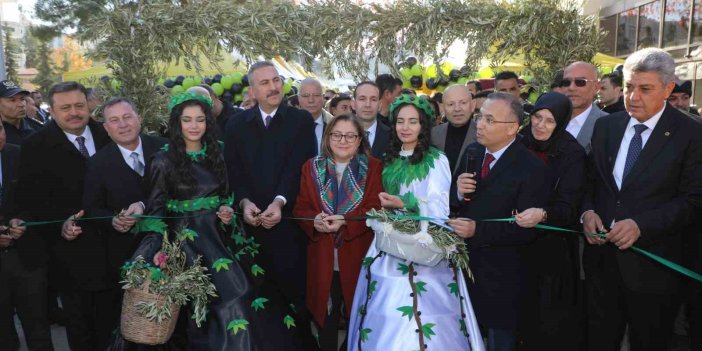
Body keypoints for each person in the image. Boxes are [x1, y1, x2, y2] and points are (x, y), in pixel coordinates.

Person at [127, 92, 301, 350]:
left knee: (246, 294)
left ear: (208, 122)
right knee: (202, 307)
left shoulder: (219, 152)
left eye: (200, 119)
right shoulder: (162, 160)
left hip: (223, 237)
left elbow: (227, 195)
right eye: (187, 120)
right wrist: (154, 250)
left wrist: (227, 209)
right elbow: (155, 211)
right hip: (184, 244)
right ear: (177, 123)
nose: (194, 126)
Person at [581, 48, 702, 351]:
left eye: (645, 89)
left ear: (668, 88)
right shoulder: (606, 126)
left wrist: (641, 225)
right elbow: (589, 181)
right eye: (629, 87)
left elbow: (693, 200)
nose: (633, 96)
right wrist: (587, 212)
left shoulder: (691, 134)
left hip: (656, 272)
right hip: (602, 265)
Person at [348, 95, 485, 351]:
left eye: (412, 121)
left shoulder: (436, 160)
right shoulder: (388, 160)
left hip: (424, 248)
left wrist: (404, 204)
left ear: (423, 125)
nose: (405, 127)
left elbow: (440, 209)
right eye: (400, 121)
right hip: (388, 247)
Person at [224, 61, 319, 349]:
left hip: (289, 227)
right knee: (258, 302)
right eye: (264, 83)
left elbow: (300, 169)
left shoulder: (300, 121)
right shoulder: (236, 124)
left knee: (295, 298)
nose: (274, 86)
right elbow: (233, 170)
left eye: (276, 80)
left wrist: (279, 202)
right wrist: (244, 202)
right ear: (252, 90)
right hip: (250, 230)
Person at [16, 82, 112, 351]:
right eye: (65, 108)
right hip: (70, 257)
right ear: (53, 111)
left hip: (116, 249)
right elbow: (30, 200)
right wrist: (62, 224)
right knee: (81, 329)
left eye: (79, 106)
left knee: (116, 326)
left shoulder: (107, 134)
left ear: (89, 105)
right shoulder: (36, 146)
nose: (74, 113)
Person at [452, 92, 550, 351]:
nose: (480, 125)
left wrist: (477, 230)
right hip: (465, 267)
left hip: (505, 277)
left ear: (512, 129)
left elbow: (527, 230)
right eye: (480, 117)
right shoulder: (472, 152)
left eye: (490, 120)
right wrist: (459, 191)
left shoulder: (531, 167)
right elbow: (455, 203)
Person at [69, 98, 168, 341]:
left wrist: (144, 205)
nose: (122, 125)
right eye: (114, 120)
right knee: (134, 327)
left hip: (172, 250)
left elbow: (180, 191)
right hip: (125, 257)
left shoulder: (165, 148)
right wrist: (112, 220)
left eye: (127, 117)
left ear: (139, 118)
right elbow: (91, 207)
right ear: (106, 128)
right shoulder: (98, 163)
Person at [293, 114, 383, 351]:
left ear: (359, 139)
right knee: (326, 317)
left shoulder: (373, 167)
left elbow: (376, 208)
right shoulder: (311, 167)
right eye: (337, 134)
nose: (343, 140)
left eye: (350, 135)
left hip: (358, 255)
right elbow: (301, 207)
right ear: (328, 137)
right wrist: (314, 221)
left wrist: (346, 220)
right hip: (323, 257)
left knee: (359, 315)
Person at [514, 92, 586, 350]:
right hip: (514, 246)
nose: (540, 125)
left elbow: (569, 207)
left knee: (546, 323)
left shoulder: (572, 154)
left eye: (549, 121)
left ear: (562, 123)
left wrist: (543, 214)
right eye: (537, 117)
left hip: (550, 251)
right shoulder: (519, 141)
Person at [0, 122, 51, 351]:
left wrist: (19, 220)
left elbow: (36, 197)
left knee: (38, 327)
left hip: (25, 257)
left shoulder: (17, 154)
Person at [562, 62, 608, 154]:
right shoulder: (551, 118)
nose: (571, 88)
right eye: (566, 82)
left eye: (580, 82)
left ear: (596, 87)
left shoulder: (609, 125)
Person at [431, 85, 477, 174]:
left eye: (463, 103)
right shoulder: (433, 135)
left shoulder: (482, 135)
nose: (457, 109)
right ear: (443, 108)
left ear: (473, 105)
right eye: (450, 104)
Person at [353, 81, 390, 159]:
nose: (368, 105)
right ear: (353, 104)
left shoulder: (392, 136)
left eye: (373, 99)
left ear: (380, 105)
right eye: (362, 99)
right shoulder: (338, 134)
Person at [0, 80, 43, 145]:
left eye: (22, 99)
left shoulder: (37, 128)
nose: (21, 104)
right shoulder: (1, 134)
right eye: (12, 100)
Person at [299, 78, 334, 154]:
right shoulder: (287, 125)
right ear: (298, 98)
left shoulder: (334, 125)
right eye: (305, 96)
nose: (311, 100)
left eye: (316, 95)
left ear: (323, 97)